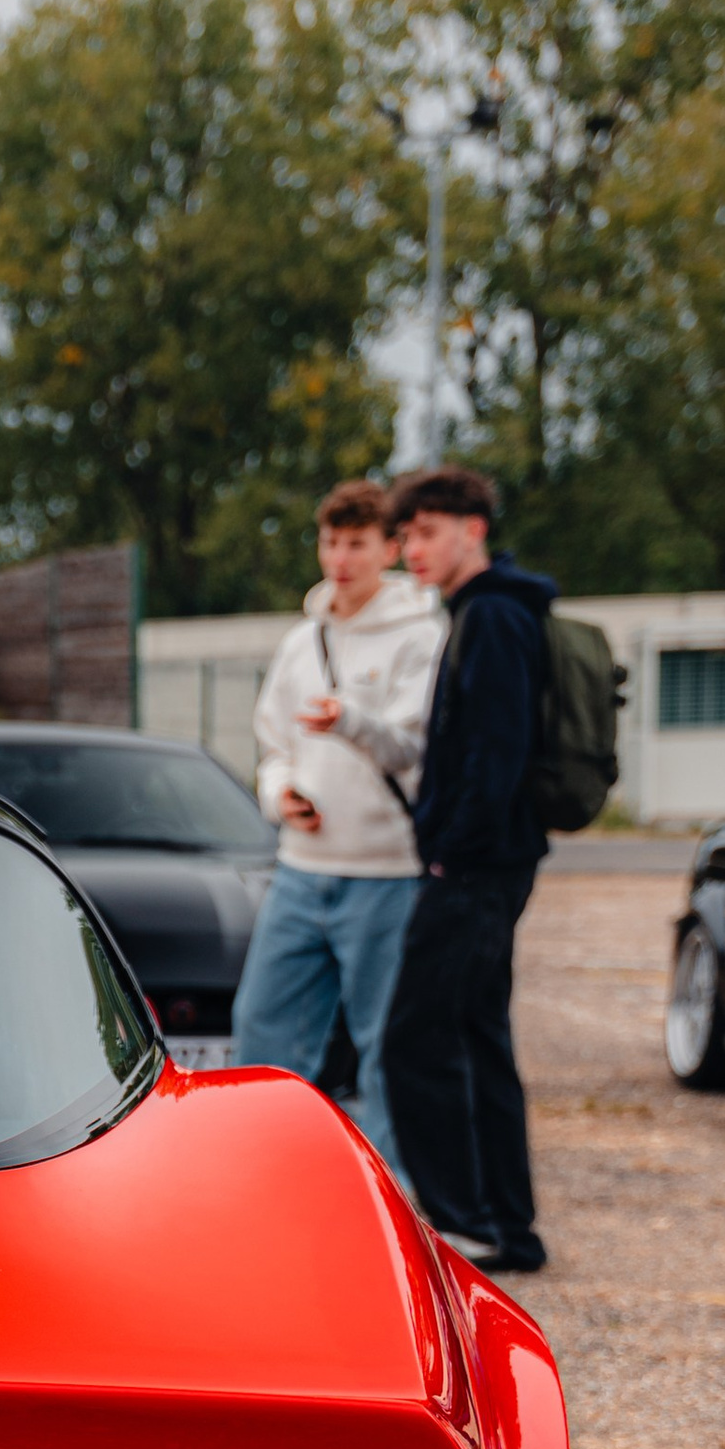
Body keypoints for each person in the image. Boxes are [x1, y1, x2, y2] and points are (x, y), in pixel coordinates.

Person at [230, 481, 440, 1179]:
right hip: (301, 867)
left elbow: (412, 747)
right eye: (330, 541)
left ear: (390, 549)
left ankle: (391, 1201)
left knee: (386, 1046)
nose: (341, 558)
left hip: (385, 873)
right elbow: (272, 742)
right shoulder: (302, 640)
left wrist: (347, 720)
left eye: (357, 543)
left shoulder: (422, 634)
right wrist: (279, 792)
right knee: (263, 1028)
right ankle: (264, 1179)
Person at [379, 467, 556, 1276]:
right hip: (488, 859)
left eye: (424, 532)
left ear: (472, 529)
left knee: (416, 1038)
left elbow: (498, 751)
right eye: (406, 535)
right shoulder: (487, 613)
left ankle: (463, 1223)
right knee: (477, 1034)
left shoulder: (491, 615)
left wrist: (453, 848)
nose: (410, 548)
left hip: (478, 865)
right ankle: (506, 1229)